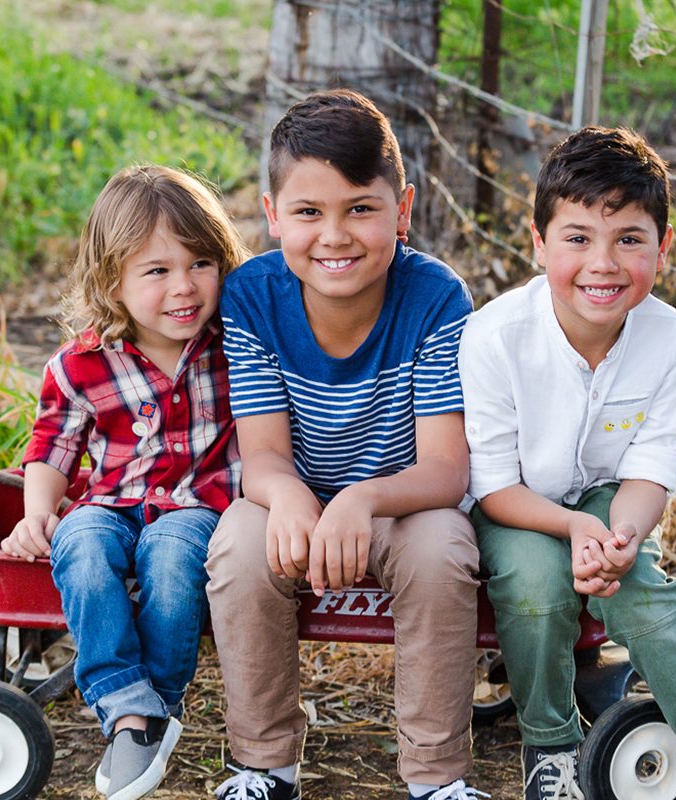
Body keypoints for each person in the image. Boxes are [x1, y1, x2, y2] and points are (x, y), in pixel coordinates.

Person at [459, 126, 676, 800]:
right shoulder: (495, 337)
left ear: (663, 246)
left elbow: (650, 465)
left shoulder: (666, 336)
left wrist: (621, 536)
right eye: (577, 238)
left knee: (647, 594)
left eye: (629, 238)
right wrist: (569, 532)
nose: (603, 263)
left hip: (605, 495)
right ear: (538, 243)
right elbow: (492, 485)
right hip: (515, 504)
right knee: (537, 591)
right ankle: (551, 745)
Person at [206, 89, 485, 800]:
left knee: (442, 550)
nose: (335, 235)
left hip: (401, 503)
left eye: (361, 208)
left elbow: (446, 471)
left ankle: (435, 776)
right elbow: (262, 456)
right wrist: (292, 495)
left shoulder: (435, 300)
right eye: (308, 212)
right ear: (273, 217)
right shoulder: (252, 298)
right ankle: (264, 765)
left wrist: (360, 499)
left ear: (404, 208)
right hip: (293, 500)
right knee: (239, 546)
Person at [1, 164, 248, 800]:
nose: (183, 288)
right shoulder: (81, 364)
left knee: (171, 559)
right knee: (78, 544)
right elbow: (53, 446)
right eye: (157, 271)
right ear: (113, 281)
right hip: (109, 502)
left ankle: (155, 709)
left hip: (201, 505)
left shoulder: (235, 345)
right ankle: (123, 701)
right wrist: (37, 514)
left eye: (200, 264)